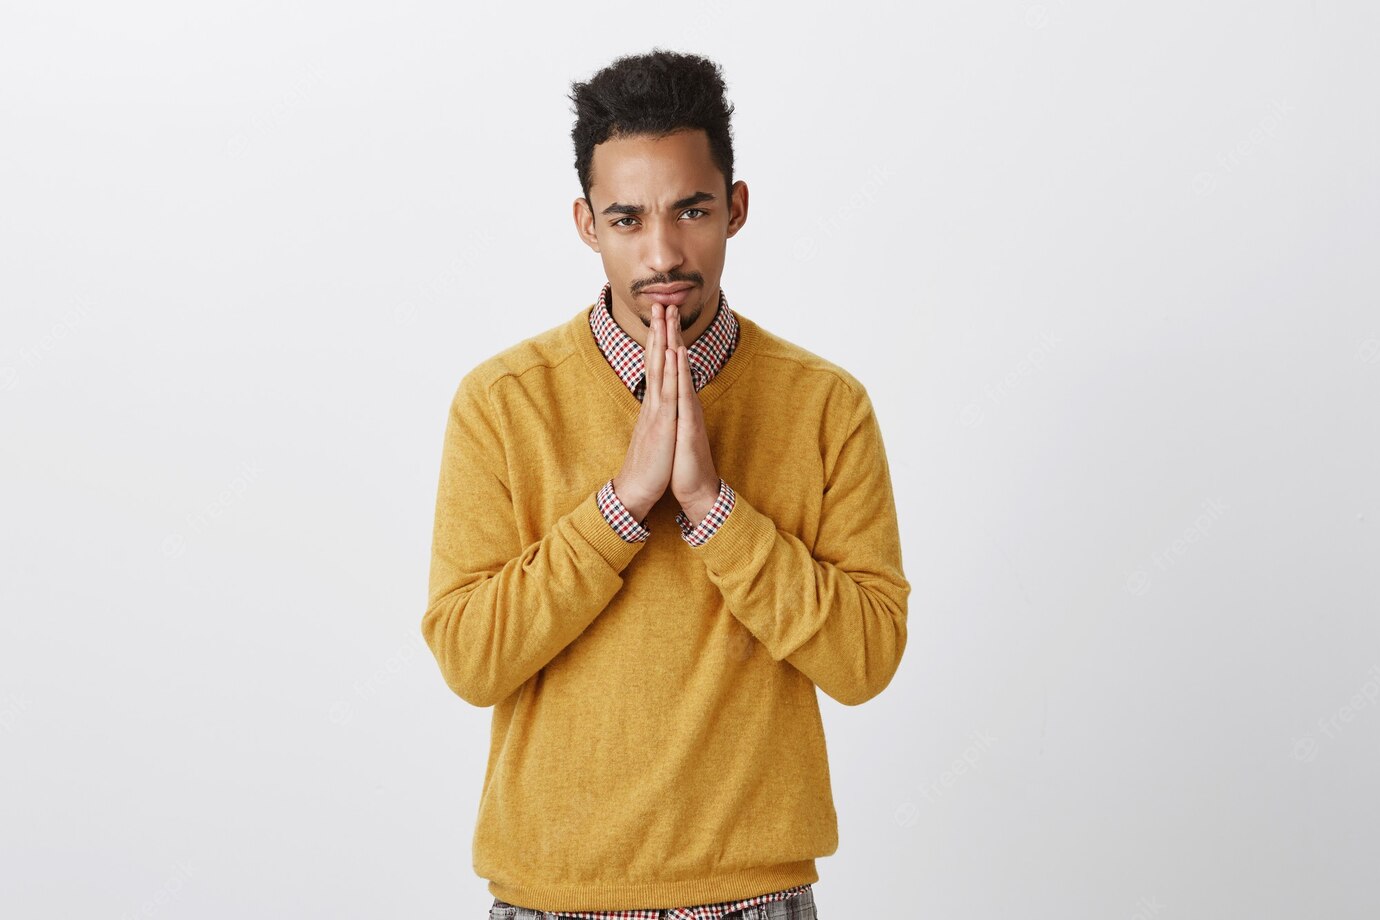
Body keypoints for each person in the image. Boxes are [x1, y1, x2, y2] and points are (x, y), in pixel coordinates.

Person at [421, 48, 910, 920]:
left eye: (691, 210)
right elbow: (469, 657)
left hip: (752, 897)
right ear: (585, 223)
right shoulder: (500, 405)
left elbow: (867, 659)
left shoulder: (826, 406)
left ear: (736, 207)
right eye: (626, 219)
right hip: (551, 899)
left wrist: (716, 511)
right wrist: (621, 507)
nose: (662, 253)